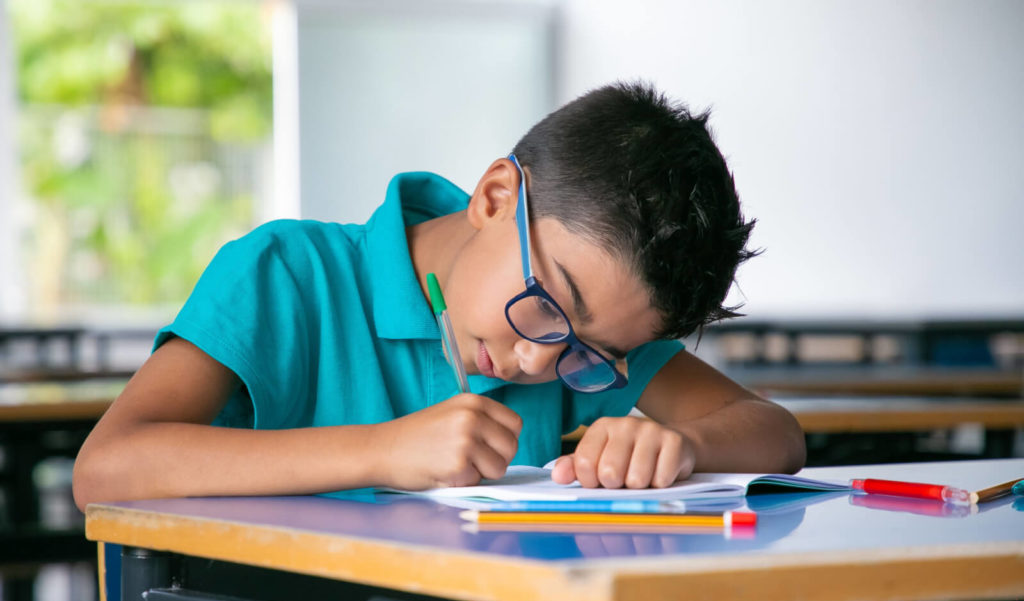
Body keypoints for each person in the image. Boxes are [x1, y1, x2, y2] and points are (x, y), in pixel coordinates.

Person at [72, 81, 805, 510]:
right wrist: (381, 451)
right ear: (494, 196)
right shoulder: (288, 274)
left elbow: (774, 431)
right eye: (549, 305)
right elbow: (107, 468)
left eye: (593, 353)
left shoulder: (586, 340)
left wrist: (683, 445)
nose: (537, 361)